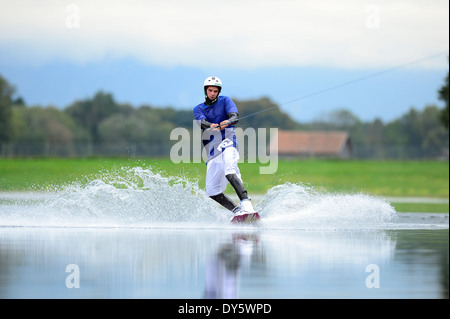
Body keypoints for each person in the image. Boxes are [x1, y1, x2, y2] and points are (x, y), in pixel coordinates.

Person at [193, 76, 256, 215]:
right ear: (205, 90)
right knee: (211, 190)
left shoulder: (225, 100)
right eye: (210, 90)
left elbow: (234, 116)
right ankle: (237, 211)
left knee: (229, 170)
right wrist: (211, 125)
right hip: (212, 150)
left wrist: (228, 121)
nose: (213, 93)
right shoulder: (198, 108)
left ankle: (246, 203)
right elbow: (201, 122)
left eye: (216, 91)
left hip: (228, 141)